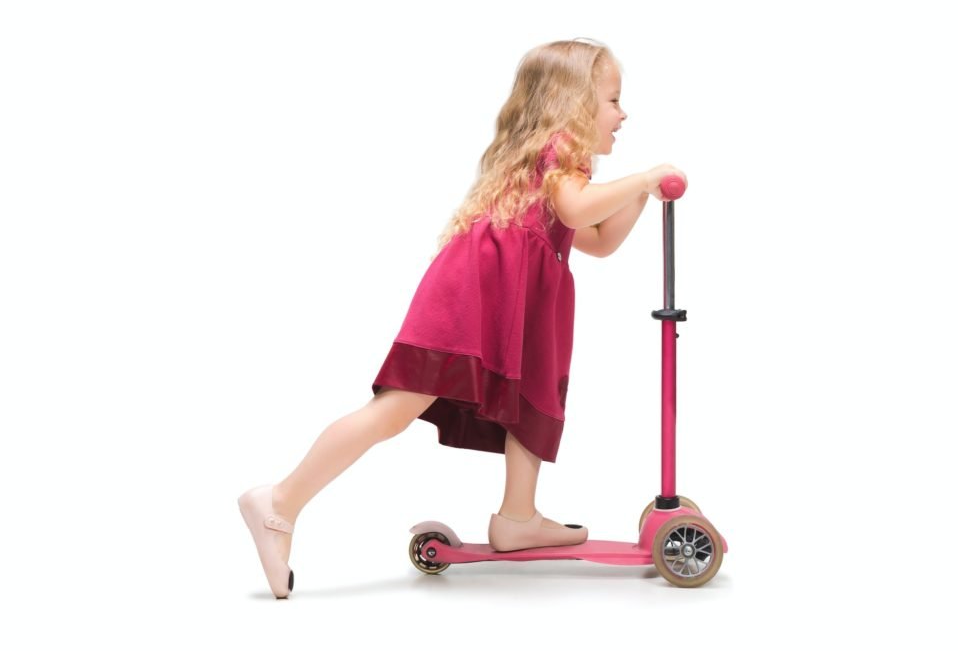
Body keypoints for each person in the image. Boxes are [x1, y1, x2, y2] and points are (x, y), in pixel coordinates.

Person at [238, 38, 687, 598]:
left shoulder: (557, 164)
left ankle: (518, 517)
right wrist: (644, 178)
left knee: (532, 398)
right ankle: (278, 503)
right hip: (479, 293)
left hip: (518, 295)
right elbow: (577, 209)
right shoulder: (558, 150)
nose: (623, 115)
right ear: (573, 103)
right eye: (613, 100)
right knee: (397, 409)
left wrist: (642, 198)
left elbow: (595, 240)